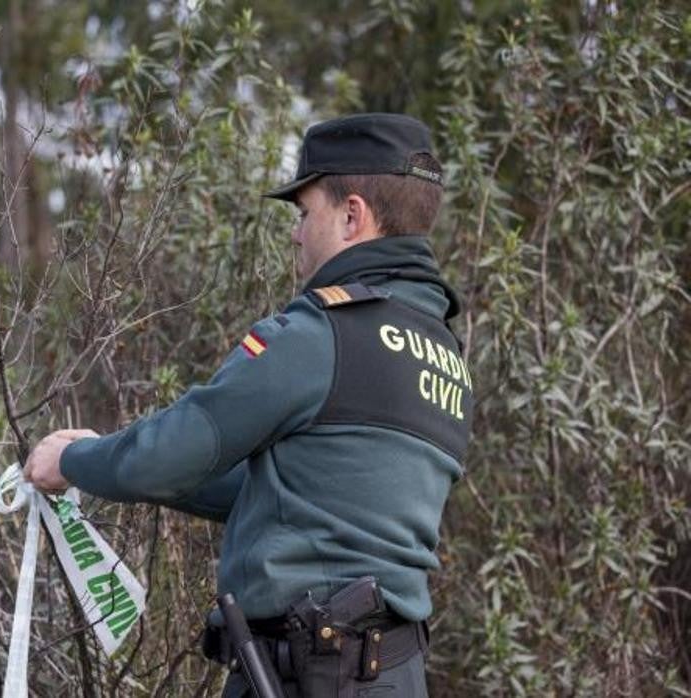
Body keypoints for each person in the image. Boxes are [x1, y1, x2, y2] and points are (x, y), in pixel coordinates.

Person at [24, 113, 474, 697]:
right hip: (392, 675)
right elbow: (292, 493)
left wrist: (75, 460)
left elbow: (172, 453)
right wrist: (145, 469)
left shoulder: (321, 334)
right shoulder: (444, 356)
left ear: (352, 216)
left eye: (304, 213)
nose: (295, 233)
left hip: (308, 673)